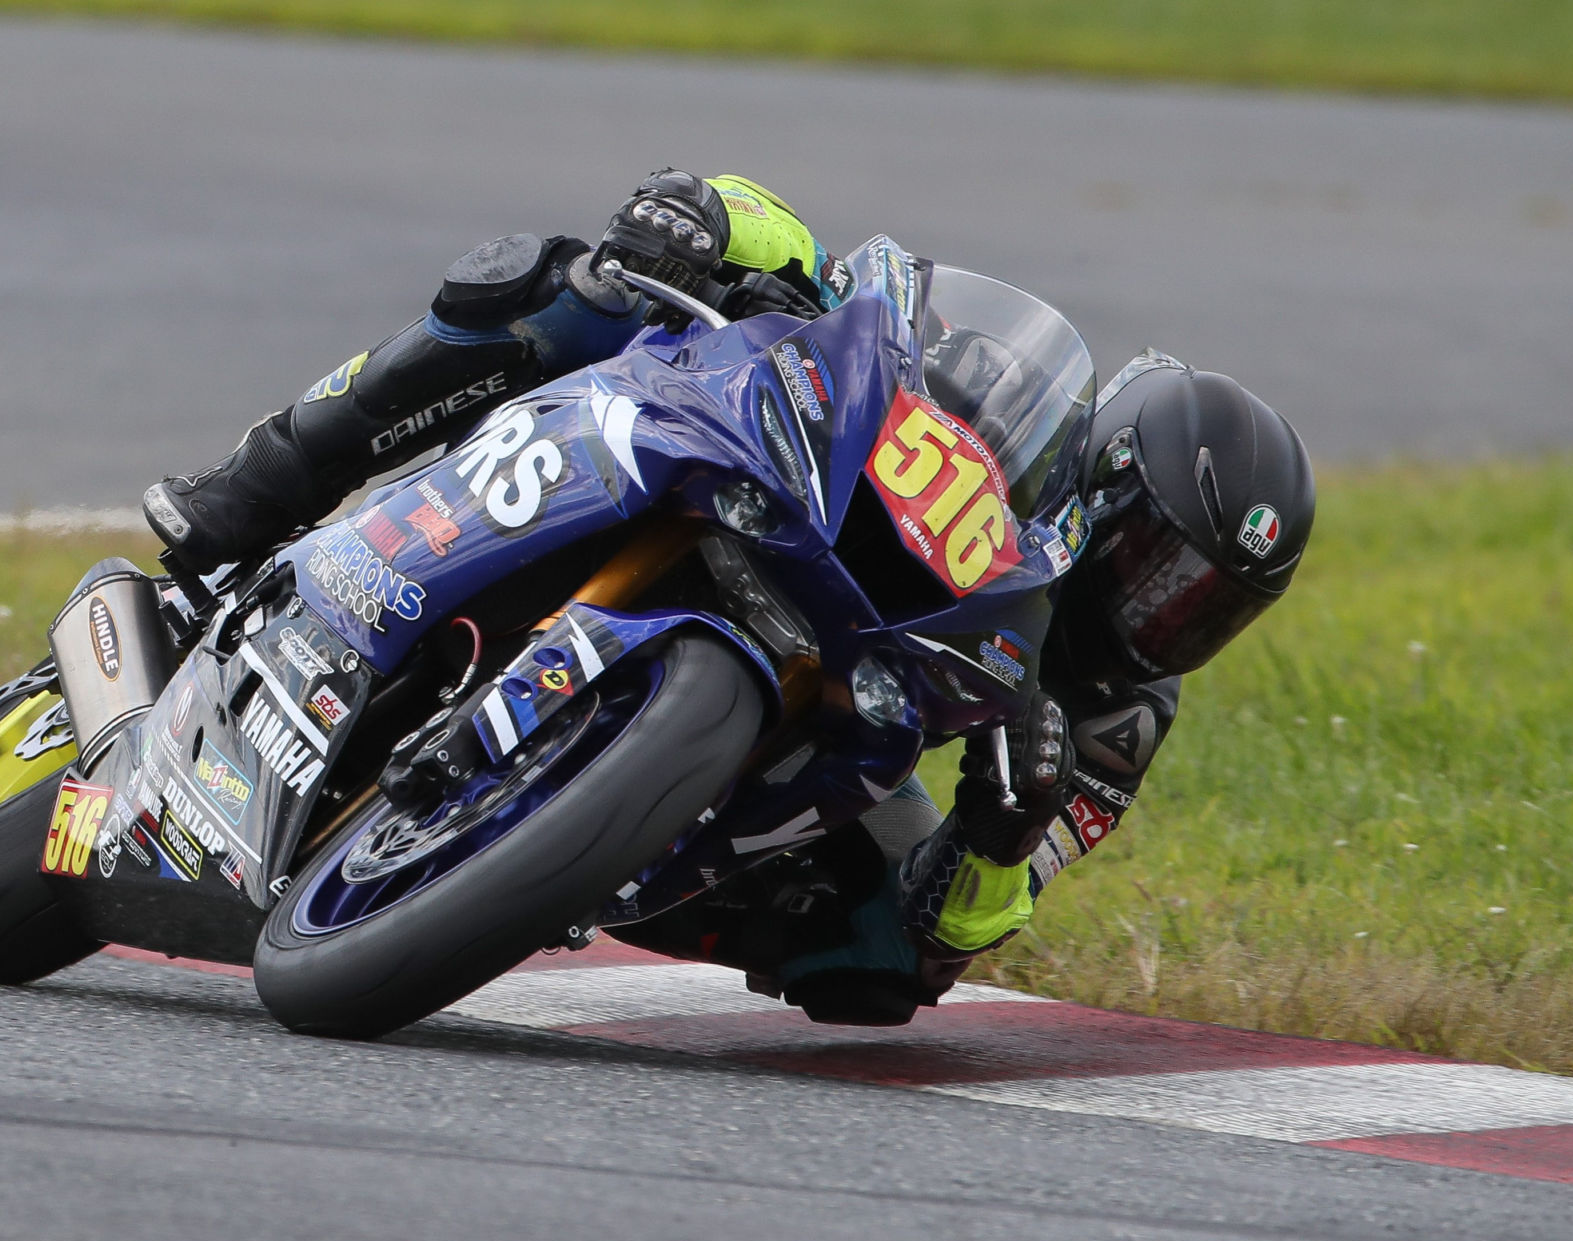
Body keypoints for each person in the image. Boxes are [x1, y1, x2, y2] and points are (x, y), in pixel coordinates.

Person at [142, 170, 1315, 1024]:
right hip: (773, 487)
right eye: (1161, 571)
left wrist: (1000, 842)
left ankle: (558, 841)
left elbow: (958, 936)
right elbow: (849, 284)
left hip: (852, 709)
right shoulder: (1003, 389)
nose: (1165, 618)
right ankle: (268, 476)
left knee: (877, 982)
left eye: (1209, 610)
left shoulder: (1113, 721)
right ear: (1105, 492)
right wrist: (710, 217)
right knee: (564, 289)